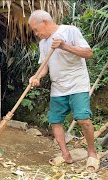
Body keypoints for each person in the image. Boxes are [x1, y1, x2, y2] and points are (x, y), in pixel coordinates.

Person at [28, 10, 99, 172]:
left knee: (83, 119)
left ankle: (92, 153)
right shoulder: (43, 44)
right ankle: (66, 155)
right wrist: (36, 76)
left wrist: (64, 46)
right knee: (55, 121)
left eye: (36, 29)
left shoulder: (70, 31)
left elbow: (88, 53)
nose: (36, 33)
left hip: (77, 84)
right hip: (58, 87)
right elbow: (44, 66)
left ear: (44, 22)